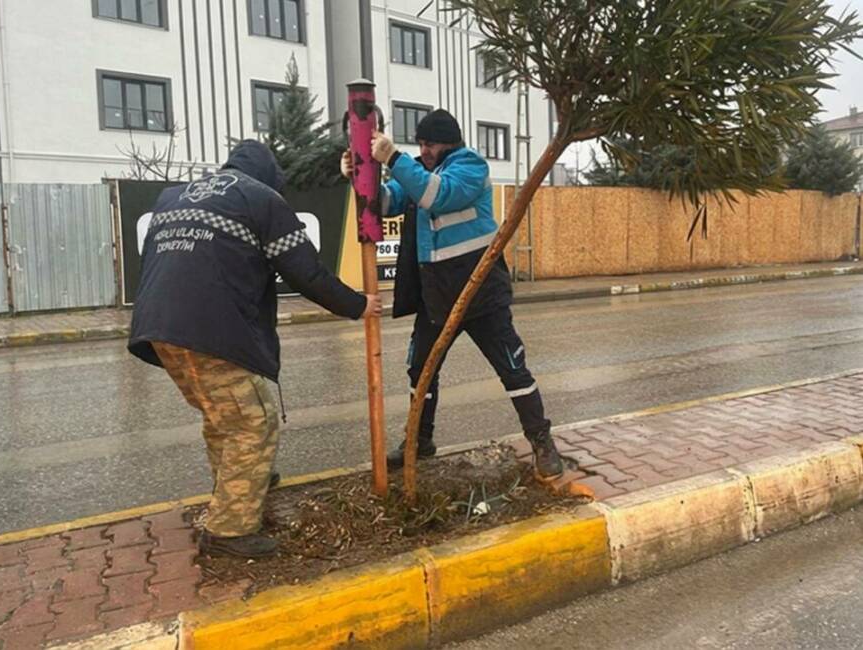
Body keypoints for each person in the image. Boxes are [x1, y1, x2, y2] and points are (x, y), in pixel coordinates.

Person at [129, 140, 381, 558]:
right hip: (210, 327)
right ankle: (230, 530)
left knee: (222, 415)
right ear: (270, 177)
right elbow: (307, 273)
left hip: (158, 326)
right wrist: (358, 305)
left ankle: (240, 487)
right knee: (253, 421)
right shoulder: (262, 199)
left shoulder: (172, 197)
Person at [340, 109, 563, 480]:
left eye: (431, 144)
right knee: (421, 372)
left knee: (512, 367)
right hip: (437, 296)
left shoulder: (470, 167)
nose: (424, 150)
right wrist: (359, 178)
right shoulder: (419, 172)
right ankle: (419, 443)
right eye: (421, 144)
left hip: (480, 292)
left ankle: (542, 441)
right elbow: (384, 203)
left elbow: (438, 197)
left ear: (450, 142)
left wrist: (392, 158)